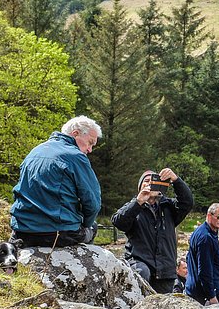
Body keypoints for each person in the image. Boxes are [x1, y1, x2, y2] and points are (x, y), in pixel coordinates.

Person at [10, 116, 102, 248]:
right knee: (92, 227)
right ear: (75, 133)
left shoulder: (34, 152)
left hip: (22, 232)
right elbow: (92, 203)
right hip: (58, 233)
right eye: (90, 143)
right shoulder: (76, 157)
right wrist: (86, 224)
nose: (90, 149)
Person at [111, 168, 194, 294]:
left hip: (165, 271)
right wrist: (138, 202)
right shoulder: (134, 207)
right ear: (140, 187)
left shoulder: (169, 207)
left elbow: (187, 202)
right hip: (140, 265)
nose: (150, 183)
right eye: (146, 181)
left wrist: (176, 180)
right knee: (142, 274)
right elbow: (118, 221)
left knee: (163, 304)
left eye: (154, 180)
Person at [185, 204, 219, 305]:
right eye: (218, 217)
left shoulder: (203, 232)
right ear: (209, 216)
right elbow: (204, 270)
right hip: (202, 293)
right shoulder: (206, 237)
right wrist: (211, 296)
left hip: (196, 288)